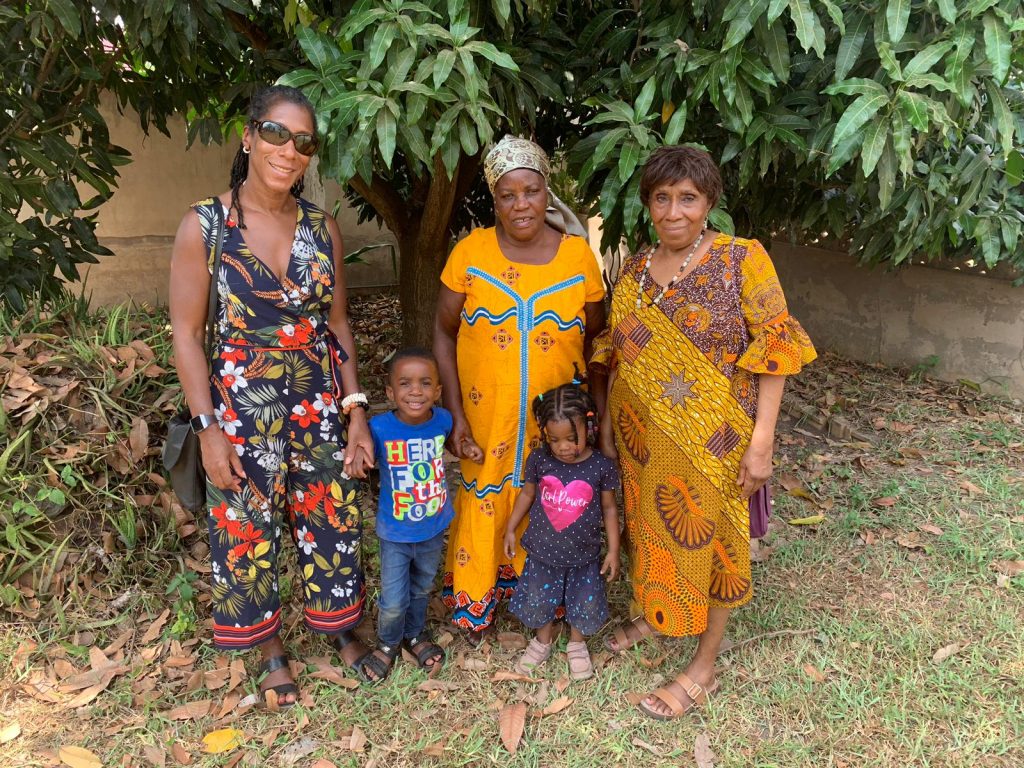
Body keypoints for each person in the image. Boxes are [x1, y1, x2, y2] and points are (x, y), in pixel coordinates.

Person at [169, 85, 378, 705]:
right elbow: (186, 335)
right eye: (276, 134)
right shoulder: (205, 225)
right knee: (247, 525)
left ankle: (340, 630)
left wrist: (356, 411)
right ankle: (269, 649)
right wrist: (208, 428)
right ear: (248, 137)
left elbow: (337, 324)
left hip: (317, 399)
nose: (289, 151)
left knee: (330, 514)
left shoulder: (322, 227)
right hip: (240, 405)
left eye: (304, 142)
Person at [593, 145, 816, 719]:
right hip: (645, 439)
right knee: (652, 527)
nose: (673, 212)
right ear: (647, 204)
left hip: (716, 443)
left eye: (687, 198)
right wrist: (612, 427)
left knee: (716, 543)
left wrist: (762, 442)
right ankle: (656, 613)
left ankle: (704, 665)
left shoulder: (742, 259)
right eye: (661, 198)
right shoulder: (636, 269)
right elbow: (618, 351)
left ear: (709, 202)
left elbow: (777, 348)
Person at [433, 136, 607, 646]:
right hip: (486, 418)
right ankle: (477, 600)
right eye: (507, 195)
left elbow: (598, 341)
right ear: (494, 199)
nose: (521, 205)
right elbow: (443, 331)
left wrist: (594, 415)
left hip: (557, 427)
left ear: (546, 192)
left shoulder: (577, 257)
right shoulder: (470, 253)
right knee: (484, 489)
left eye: (531, 191)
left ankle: (548, 605)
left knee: (553, 494)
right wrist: (454, 413)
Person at [350, 347, 475, 680]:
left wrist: (468, 448)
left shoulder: (444, 420)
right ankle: (388, 643)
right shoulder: (379, 427)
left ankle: (415, 634)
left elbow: (454, 444)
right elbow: (361, 456)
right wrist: (357, 462)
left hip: (433, 527)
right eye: (405, 384)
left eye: (425, 383)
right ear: (391, 393)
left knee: (420, 589)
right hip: (396, 534)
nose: (416, 391)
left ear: (438, 390)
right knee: (393, 599)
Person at [503, 382, 620, 680]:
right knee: (539, 598)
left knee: (584, 599)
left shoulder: (601, 466)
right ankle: (542, 640)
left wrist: (614, 550)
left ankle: (577, 644)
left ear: (589, 426)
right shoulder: (540, 459)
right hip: (543, 552)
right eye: (554, 439)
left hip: (584, 555)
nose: (563, 447)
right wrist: (511, 528)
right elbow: (527, 494)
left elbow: (609, 509)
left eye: (571, 438)